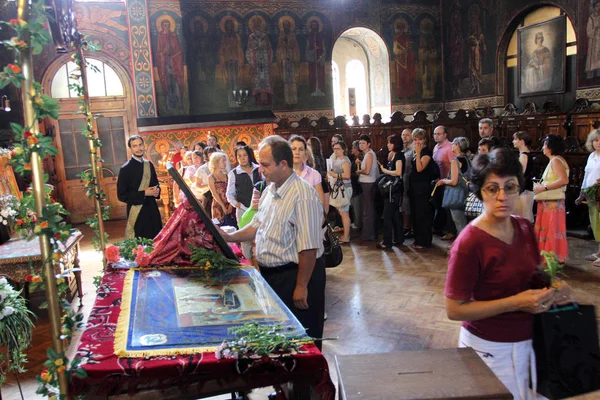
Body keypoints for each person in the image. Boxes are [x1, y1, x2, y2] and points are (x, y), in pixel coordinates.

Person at [445, 147, 572, 400]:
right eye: (493, 188)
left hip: (531, 341)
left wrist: (556, 287)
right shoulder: (469, 242)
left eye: (510, 187)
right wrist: (516, 303)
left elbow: (532, 273)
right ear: (480, 192)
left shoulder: (524, 227)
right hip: (488, 348)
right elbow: (455, 309)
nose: (502, 196)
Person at [218, 136, 326, 346]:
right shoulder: (270, 190)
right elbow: (257, 225)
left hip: (296, 276)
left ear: (283, 165)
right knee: (279, 340)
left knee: (301, 342)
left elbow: (309, 248)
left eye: (266, 164)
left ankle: (303, 380)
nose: (261, 169)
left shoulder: (302, 195)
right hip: (274, 277)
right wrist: (230, 237)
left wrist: (301, 286)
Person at [117, 135, 162, 239]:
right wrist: (144, 193)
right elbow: (122, 195)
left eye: (140, 145)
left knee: (156, 240)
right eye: (135, 146)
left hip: (152, 209)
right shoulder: (125, 169)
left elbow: (155, 184)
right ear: (131, 148)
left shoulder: (149, 164)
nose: (139, 148)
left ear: (144, 145)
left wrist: (156, 191)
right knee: (140, 243)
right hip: (137, 212)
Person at [533, 134, 569, 264]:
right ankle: (550, 255)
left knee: (551, 229)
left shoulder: (556, 161)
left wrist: (544, 188)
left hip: (552, 203)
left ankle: (551, 256)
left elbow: (564, 180)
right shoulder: (555, 160)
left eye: (545, 144)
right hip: (549, 203)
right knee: (550, 229)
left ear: (550, 147)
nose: (543, 147)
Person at [226, 146, 260, 259]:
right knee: (246, 241)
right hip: (243, 211)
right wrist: (238, 205)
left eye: (244, 155)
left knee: (261, 237)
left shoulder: (258, 169)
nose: (242, 158)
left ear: (249, 155)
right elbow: (229, 194)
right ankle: (249, 269)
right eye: (239, 156)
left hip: (260, 209)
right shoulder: (234, 173)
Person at [435, 137, 470, 235]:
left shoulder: (455, 161)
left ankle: (462, 246)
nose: (452, 145)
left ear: (458, 146)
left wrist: (443, 181)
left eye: (454, 144)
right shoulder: (467, 158)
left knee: (459, 222)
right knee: (464, 221)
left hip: (457, 195)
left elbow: (454, 181)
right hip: (466, 192)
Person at [576, 129, 600, 266]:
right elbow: (586, 176)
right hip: (591, 194)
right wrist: (582, 193)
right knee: (595, 223)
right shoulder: (591, 156)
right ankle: (598, 252)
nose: (598, 143)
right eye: (596, 140)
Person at [378, 134, 405, 249]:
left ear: (396, 144)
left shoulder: (399, 155)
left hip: (394, 190)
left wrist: (385, 170)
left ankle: (387, 241)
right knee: (394, 215)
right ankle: (399, 238)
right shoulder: (394, 155)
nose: (388, 144)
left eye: (390, 142)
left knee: (388, 215)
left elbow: (398, 172)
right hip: (392, 189)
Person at [409, 128, 434, 249]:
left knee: (422, 214)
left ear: (424, 140)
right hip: (415, 187)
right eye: (415, 139)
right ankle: (418, 239)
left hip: (423, 187)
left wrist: (418, 153)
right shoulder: (416, 152)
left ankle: (424, 241)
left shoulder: (426, 152)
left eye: (420, 139)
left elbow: (420, 169)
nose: (417, 142)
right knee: (415, 213)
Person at [289, 135, 326, 210]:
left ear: (305, 152)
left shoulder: (314, 174)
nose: (297, 152)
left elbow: (320, 203)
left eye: (301, 149)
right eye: (294, 149)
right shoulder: (281, 174)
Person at [156, 19, 185, 110]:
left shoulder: (173, 36)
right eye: (164, 25)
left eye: (168, 25)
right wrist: (162, 54)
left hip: (175, 64)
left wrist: (173, 56)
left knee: (176, 83)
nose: (166, 27)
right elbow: (158, 52)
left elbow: (179, 51)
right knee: (167, 84)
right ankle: (169, 105)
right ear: (161, 26)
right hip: (165, 64)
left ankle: (179, 104)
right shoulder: (160, 37)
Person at [432, 125, 455, 240]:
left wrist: (447, 180)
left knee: (448, 207)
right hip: (437, 182)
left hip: (447, 182)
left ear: (445, 134)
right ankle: (440, 228)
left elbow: (454, 165)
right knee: (439, 206)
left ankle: (451, 231)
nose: (436, 136)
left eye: (438, 134)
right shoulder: (436, 147)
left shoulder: (450, 147)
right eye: (435, 134)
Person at [326, 141, 352, 243]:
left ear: (343, 149)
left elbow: (347, 175)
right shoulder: (336, 159)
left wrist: (334, 174)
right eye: (334, 148)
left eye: (338, 149)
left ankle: (346, 236)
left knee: (344, 213)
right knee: (342, 212)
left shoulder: (345, 161)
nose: (335, 150)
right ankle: (345, 235)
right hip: (338, 188)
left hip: (344, 189)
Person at [355, 134, 379, 241]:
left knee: (368, 210)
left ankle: (369, 234)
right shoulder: (367, 155)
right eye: (360, 143)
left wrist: (358, 171)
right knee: (367, 209)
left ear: (368, 144)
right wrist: (360, 164)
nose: (361, 145)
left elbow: (367, 171)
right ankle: (368, 233)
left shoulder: (369, 154)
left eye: (363, 143)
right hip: (366, 184)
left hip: (369, 184)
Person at [246, 16, 273, 105]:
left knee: (265, 81)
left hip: (264, 62)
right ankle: (259, 101)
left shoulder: (265, 36)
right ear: (253, 27)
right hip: (256, 62)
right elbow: (249, 50)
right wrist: (251, 63)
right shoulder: (251, 37)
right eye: (255, 25)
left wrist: (269, 61)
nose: (257, 27)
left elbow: (269, 49)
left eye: (259, 25)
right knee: (257, 82)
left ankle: (266, 100)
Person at [276, 18, 300, 105]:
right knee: (286, 81)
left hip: (292, 61)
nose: (286, 27)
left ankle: (294, 99)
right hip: (284, 61)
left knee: (292, 80)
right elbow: (278, 48)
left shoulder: (292, 35)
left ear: (290, 26)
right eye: (284, 25)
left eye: (287, 25)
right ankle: (287, 100)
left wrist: (291, 49)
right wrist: (283, 47)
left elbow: (296, 48)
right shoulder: (281, 36)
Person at [512, 131, 534, 222]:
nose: (513, 141)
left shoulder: (524, 155)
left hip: (524, 190)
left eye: (515, 139)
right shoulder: (525, 154)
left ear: (522, 141)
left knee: (522, 217)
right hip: (525, 188)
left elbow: (521, 174)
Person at [208, 152, 235, 226]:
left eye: (225, 160)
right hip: (218, 205)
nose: (225, 163)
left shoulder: (227, 175)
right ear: (216, 162)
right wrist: (223, 206)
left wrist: (230, 205)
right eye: (223, 161)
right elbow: (214, 194)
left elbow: (232, 191)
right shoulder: (211, 177)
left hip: (229, 203)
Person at [393, 19, 416, 99]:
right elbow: (395, 50)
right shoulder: (396, 38)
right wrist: (402, 51)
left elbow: (410, 47)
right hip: (400, 61)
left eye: (402, 28)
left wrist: (409, 50)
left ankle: (409, 94)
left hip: (408, 60)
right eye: (399, 28)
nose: (401, 30)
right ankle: (400, 95)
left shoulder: (407, 37)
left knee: (408, 77)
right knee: (400, 78)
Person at [467, 4, 485, 95]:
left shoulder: (477, 23)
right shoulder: (470, 24)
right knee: (472, 67)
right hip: (472, 48)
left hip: (476, 48)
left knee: (477, 66)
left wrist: (482, 43)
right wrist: (471, 38)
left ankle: (477, 84)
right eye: (472, 14)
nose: (473, 15)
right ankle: (474, 85)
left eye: (474, 13)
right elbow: (469, 36)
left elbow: (481, 35)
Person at [308, 137, 330, 211]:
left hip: (317, 184)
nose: (307, 147)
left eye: (309, 144)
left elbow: (316, 172)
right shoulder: (318, 156)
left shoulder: (314, 158)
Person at [306, 18, 326, 97]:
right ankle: (313, 90)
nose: (314, 27)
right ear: (310, 26)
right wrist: (312, 51)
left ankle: (320, 89)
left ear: (318, 26)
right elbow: (307, 49)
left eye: (315, 25)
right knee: (312, 75)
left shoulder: (321, 36)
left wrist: (320, 57)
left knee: (320, 75)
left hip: (319, 59)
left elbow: (324, 49)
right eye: (312, 25)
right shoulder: (309, 37)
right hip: (312, 61)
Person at [401, 128, 415, 238]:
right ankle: (406, 227)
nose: (404, 137)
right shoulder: (403, 148)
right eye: (403, 135)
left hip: (410, 179)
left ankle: (408, 227)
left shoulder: (414, 149)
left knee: (407, 204)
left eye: (407, 135)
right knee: (404, 204)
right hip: (403, 178)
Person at [350, 140, 363, 230]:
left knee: (358, 206)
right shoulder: (355, 158)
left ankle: (358, 223)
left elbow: (358, 173)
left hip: (358, 186)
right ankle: (356, 222)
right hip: (354, 186)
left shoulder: (360, 158)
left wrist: (350, 174)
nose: (351, 150)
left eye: (353, 148)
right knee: (355, 205)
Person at [586, 1, 600, 79]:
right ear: (594, 7)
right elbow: (589, 32)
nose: (599, 8)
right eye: (597, 6)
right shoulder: (591, 18)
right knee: (594, 58)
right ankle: (593, 75)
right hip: (595, 41)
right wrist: (595, 28)